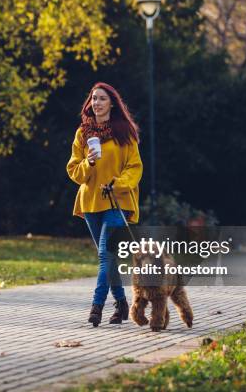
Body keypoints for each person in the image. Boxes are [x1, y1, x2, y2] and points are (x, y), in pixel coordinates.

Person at [66, 82, 143, 327]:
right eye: (93, 99)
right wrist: (88, 163)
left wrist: (118, 183)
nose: (96, 103)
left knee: (104, 255)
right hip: (90, 203)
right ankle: (121, 304)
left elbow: (135, 167)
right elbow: (74, 172)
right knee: (109, 260)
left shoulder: (125, 133)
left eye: (101, 99)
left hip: (118, 201)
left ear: (112, 103)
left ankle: (96, 307)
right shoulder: (83, 133)